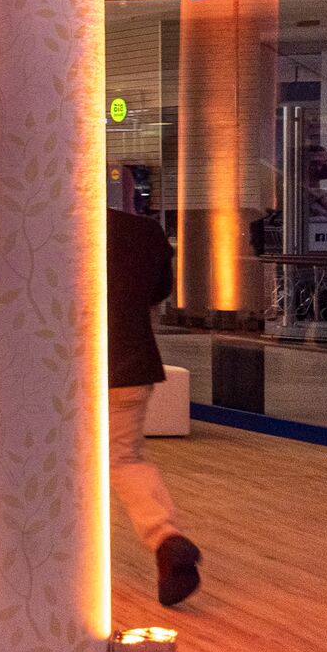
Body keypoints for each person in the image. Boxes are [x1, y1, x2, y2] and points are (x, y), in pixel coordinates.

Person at [109, 205, 202, 605]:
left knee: (49, 467)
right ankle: (166, 537)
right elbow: (159, 291)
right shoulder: (144, 231)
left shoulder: (52, 226)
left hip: (62, 369)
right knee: (124, 460)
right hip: (129, 365)